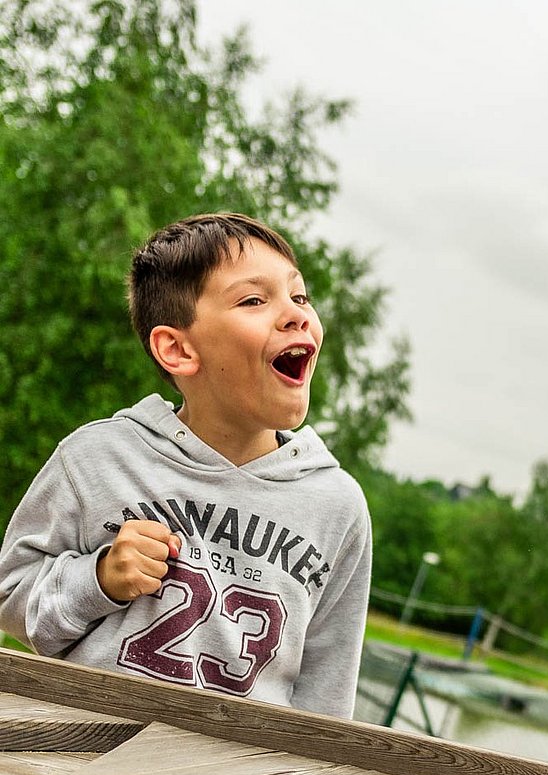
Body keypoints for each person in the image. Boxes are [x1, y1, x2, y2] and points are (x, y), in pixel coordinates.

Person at [0, 213, 372, 718]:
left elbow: (326, 696)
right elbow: (11, 597)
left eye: (299, 296)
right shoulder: (94, 460)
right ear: (177, 349)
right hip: (84, 758)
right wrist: (100, 578)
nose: (295, 314)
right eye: (253, 300)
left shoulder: (338, 506)